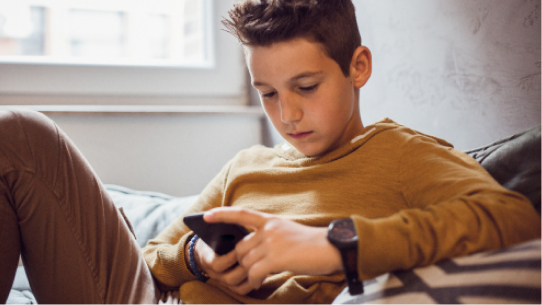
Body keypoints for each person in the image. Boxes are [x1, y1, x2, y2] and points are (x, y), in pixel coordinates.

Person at [0, 0, 539, 304]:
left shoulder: (402, 154)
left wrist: (334, 246)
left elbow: (511, 217)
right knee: (16, 133)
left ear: (358, 67)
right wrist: (198, 258)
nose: (287, 115)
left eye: (306, 87)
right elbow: (149, 256)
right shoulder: (248, 165)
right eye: (268, 95)